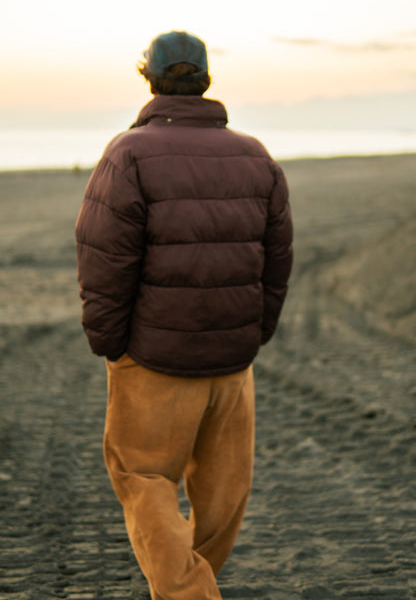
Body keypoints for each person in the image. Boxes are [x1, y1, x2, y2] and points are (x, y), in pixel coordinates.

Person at [75, 30, 293, 600]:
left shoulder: (128, 154)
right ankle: (190, 582)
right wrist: (255, 333)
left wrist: (111, 345)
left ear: (148, 77)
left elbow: (103, 260)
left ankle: (188, 593)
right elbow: (278, 260)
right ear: (205, 80)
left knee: (144, 479)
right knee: (223, 493)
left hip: (154, 361)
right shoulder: (255, 155)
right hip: (233, 363)